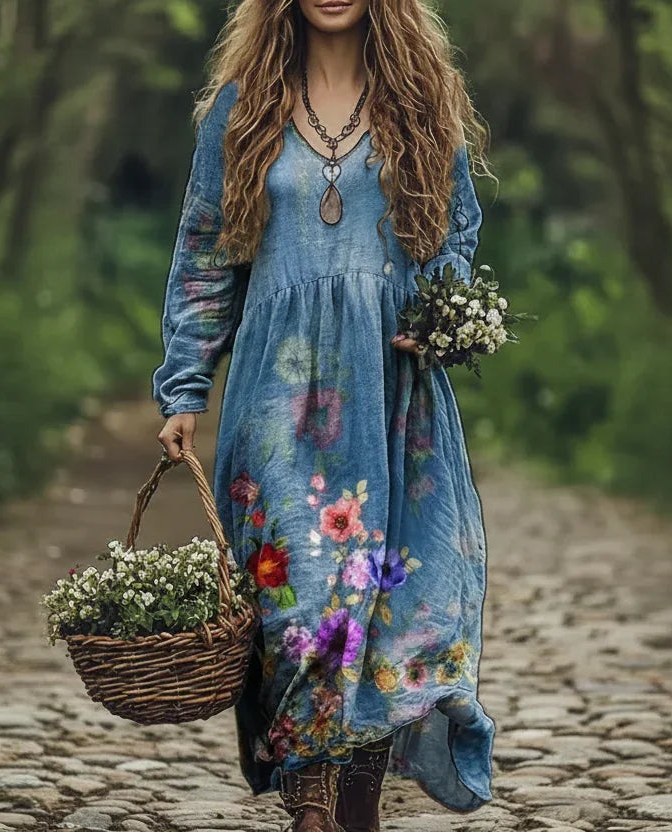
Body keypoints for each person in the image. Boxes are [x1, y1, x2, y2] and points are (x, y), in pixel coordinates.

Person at [152, 1, 495, 829]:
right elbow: (205, 252)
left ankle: (360, 804)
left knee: (383, 603)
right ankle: (310, 802)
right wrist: (185, 386)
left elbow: (457, 229)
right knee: (301, 596)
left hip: (391, 395)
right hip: (278, 400)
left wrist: (440, 309)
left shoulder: (421, 95)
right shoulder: (240, 111)